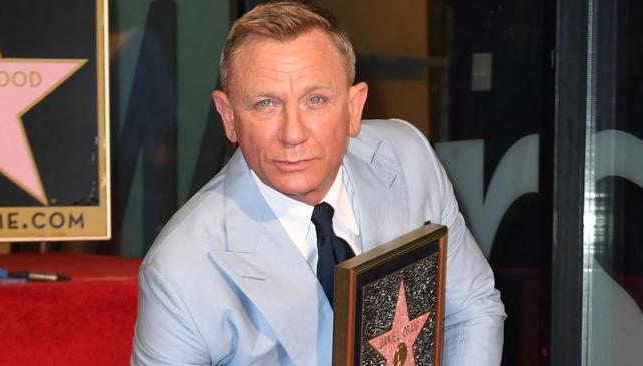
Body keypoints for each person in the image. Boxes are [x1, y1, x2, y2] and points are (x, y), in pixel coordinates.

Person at [131, 1, 506, 365]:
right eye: (265, 104)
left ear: (354, 107)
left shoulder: (408, 158)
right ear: (228, 117)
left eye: (315, 99)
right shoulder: (181, 269)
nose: (293, 134)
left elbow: (471, 308)